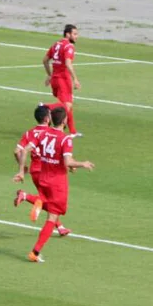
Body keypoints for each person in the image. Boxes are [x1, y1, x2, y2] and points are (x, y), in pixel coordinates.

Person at [13, 106, 94, 263]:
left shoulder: (43, 134)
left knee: (50, 208)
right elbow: (67, 161)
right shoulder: (65, 139)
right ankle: (35, 252)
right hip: (57, 182)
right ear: (64, 121)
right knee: (52, 216)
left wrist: (22, 171)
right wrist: (82, 164)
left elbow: (24, 150)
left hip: (43, 177)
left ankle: (35, 200)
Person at [13, 103, 71, 238]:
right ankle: (25, 196)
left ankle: (60, 227)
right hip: (48, 171)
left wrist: (22, 168)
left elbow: (17, 151)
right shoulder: (50, 133)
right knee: (50, 201)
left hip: (34, 171)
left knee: (49, 200)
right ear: (47, 118)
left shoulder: (29, 133)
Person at [43, 24, 81, 136]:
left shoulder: (56, 44)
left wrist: (49, 75)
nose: (77, 36)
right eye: (75, 34)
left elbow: (45, 60)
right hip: (63, 79)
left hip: (55, 80)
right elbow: (68, 63)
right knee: (66, 106)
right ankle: (46, 107)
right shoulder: (69, 46)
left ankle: (72, 132)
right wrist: (75, 79)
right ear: (67, 34)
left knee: (69, 104)